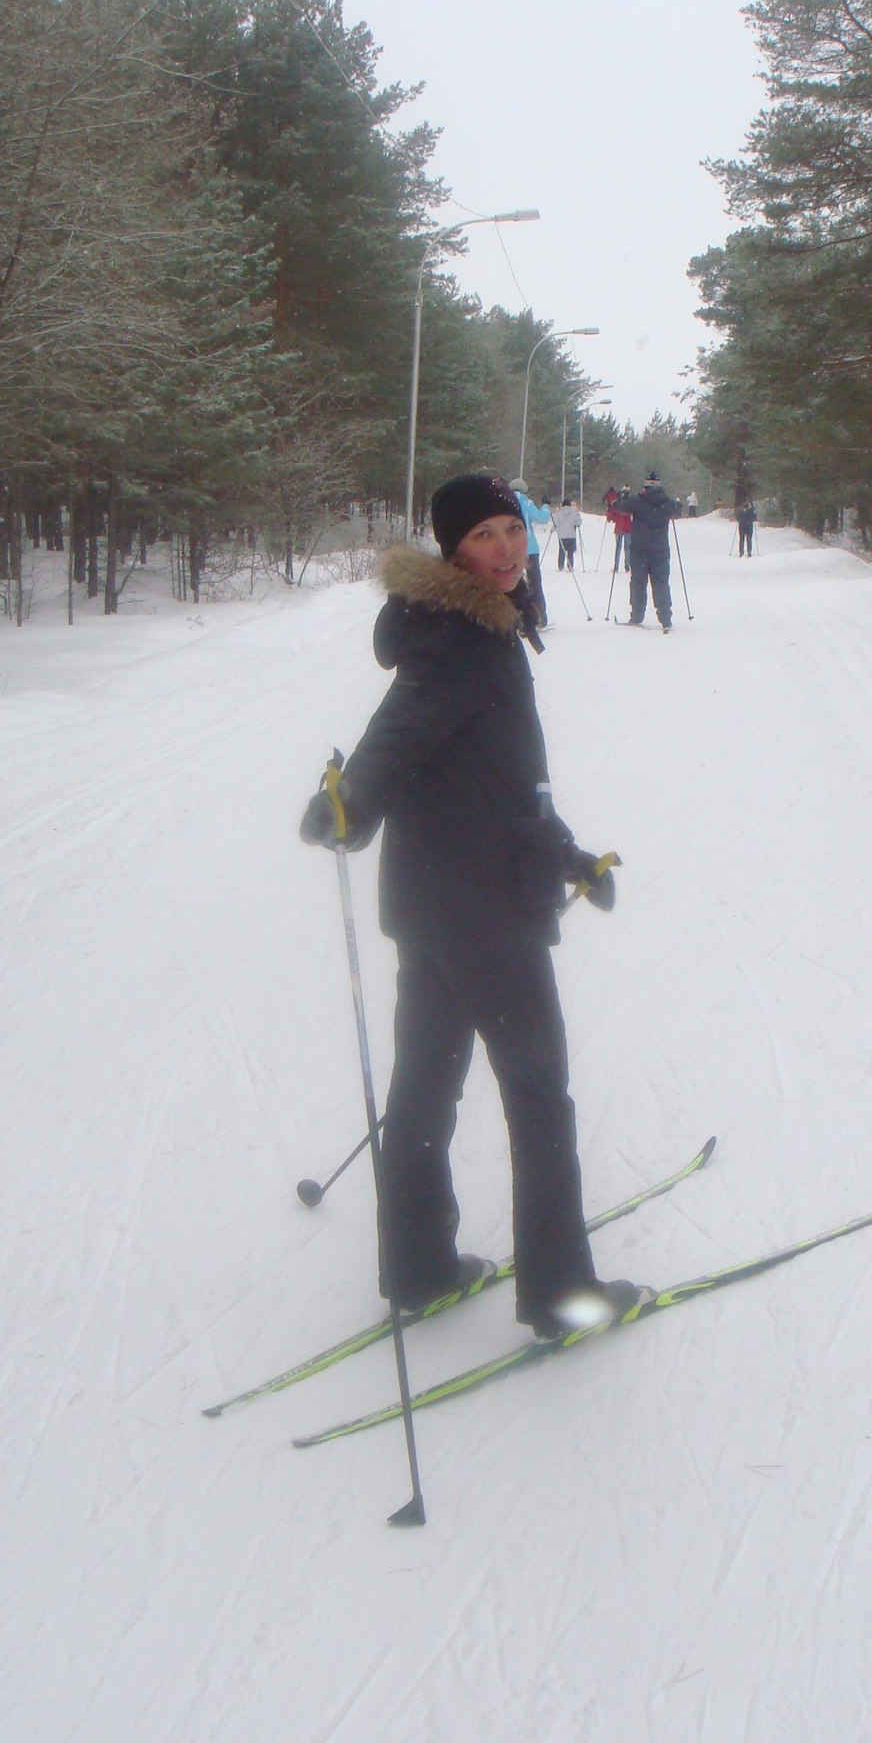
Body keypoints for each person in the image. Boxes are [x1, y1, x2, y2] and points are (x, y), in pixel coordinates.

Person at [300, 473, 644, 1339]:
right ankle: (562, 1296)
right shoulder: (465, 639)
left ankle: (419, 1268)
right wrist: (352, 804)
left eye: (512, 530)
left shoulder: (464, 628)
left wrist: (569, 857)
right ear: (453, 549)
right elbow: (400, 733)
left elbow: (502, 783)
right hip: (488, 914)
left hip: (434, 908)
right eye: (483, 535)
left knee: (425, 1090)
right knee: (539, 1100)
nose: (505, 548)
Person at [619, 470, 680, 631]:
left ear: (645, 486)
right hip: (660, 550)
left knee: (638, 583)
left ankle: (637, 615)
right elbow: (677, 510)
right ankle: (665, 618)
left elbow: (620, 507)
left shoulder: (638, 501)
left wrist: (624, 495)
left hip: (639, 550)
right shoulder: (667, 502)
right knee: (661, 584)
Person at [508, 476, 548, 628]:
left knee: (514, 584)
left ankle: (518, 620)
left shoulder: (505, 502)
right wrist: (545, 505)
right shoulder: (527, 502)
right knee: (534, 583)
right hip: (530, 548)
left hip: (512, 550)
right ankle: (540, 618)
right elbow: (542, 518)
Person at [604, 489, 632, 571]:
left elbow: (612, 515)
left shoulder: (616, 504)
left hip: (619, 528)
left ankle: (616, 566)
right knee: (627, 548)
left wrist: (609, 515)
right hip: (628, 528)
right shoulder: (630, 504)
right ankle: (627, 566)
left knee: (618, 548)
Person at [553, 497, 582, 570]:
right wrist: (578, 514)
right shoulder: (573, 513)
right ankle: (570, 566)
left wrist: (553, 529)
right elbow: (578, 522)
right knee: (570, 552)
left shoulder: (559, 513)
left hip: (562, 536)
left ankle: (560, 566)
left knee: (562, 551)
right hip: (571, 536)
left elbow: (556, 523)